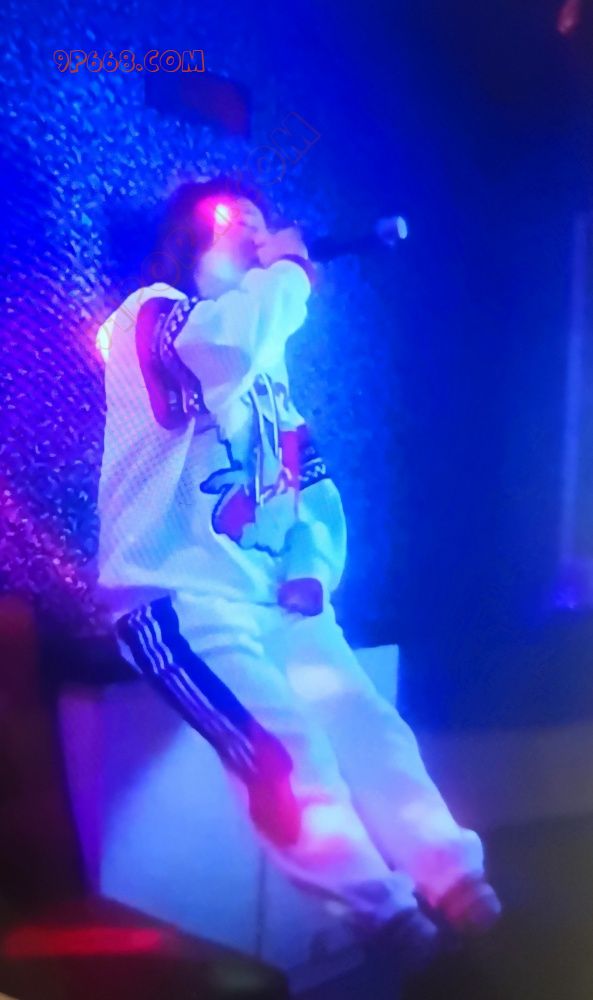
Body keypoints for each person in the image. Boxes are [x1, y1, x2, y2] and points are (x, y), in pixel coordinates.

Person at [96, 176, 501, 972]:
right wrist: (285, 273)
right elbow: (222, 348)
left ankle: (455, 878)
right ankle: (383, 914)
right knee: (285, 753)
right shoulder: (147, 317)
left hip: (276, 604)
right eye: (232, 219)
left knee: (367, 724)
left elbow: (309, 487)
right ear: (188, 240)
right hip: (179, 599)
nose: (253, 227)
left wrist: (314, 565)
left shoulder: (270, 371)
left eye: (262, 219)